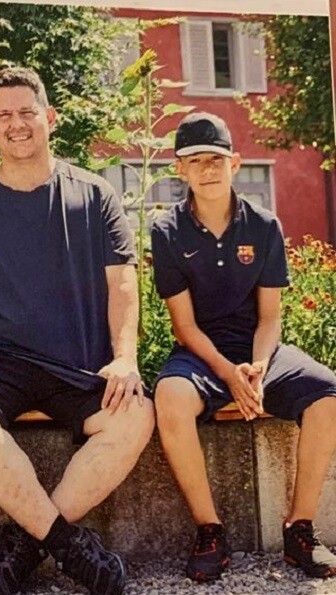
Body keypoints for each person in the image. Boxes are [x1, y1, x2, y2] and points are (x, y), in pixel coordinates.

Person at [0, 66, 154, 595]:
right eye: (3, 115)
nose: (16, 124)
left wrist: (124, 358)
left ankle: (27, 545)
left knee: (135, 417)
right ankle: (69, 547)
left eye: (27, 112)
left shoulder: (95, 196)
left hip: (77, 363)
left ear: (50, 117)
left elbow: (123, 284)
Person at [151, 112, 336, 582]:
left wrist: (255, 367)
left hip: (258, 348)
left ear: (234, 163)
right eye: (196, 160)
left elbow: (270, 317)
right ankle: (210, 531)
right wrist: (226, 372)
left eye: (216, 159)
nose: (207, 169)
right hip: (201, 353)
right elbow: (184, 327)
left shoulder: (264, 226)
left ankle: (299, 529)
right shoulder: (167, 231)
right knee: (169, 397)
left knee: (327, 391)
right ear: (180, 169)